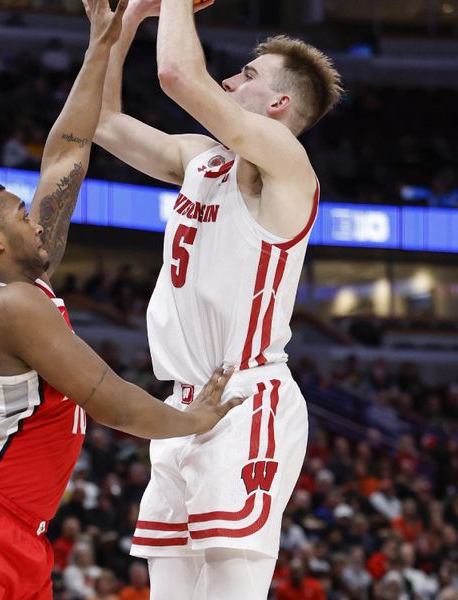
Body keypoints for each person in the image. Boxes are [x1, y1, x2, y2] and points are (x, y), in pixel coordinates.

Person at [0, 0, 243, 598]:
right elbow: (110, 400)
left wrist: (104, 42)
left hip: (22, 534)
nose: (38, 221)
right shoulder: (8, 307)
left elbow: (68, 151)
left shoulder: (27, 287)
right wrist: (192, 421)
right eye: (23, 215)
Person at [93, 0, 344, 597]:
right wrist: (124, 25)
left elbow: (178, 75)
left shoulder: (287, 166)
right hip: (179, 406)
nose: (230, 80)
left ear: (279, 104)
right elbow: (100, 121)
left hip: (245, 399)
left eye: (248, 76)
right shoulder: (200, 158)